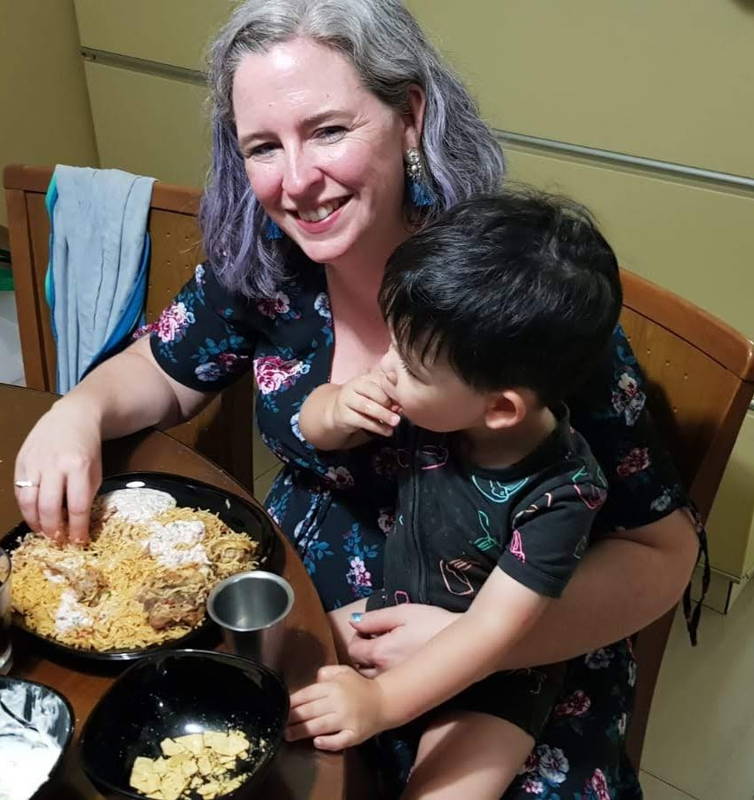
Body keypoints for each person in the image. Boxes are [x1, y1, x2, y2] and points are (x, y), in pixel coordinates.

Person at [13, 1, 699, 796]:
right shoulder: (268, 265)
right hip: (312, 604)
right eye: (263, 146)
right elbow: (166, 371)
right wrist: (79, 411)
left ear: (410, 117)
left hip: (508, 628)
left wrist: (476, 644)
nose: (297, 180)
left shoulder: (510, 306)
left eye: (329, 130)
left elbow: (662, 552)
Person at [286, 191, 622, 800]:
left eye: (410, 365)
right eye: (391, 345)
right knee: (271, 657)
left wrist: (382, 701)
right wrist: (335, 408)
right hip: (389, 610)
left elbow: (492, 634)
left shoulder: (565, 493)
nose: (386, 366)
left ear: (500, 408)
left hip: (496, 674)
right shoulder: (438, 404)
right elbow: (307, 424)